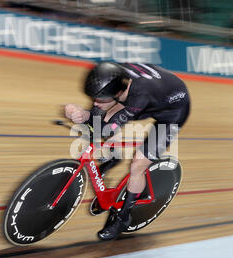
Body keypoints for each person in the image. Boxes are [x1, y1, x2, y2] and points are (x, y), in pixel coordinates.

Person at [64, 62, 190, 241]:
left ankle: (123, 218)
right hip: (154, 92)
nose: (94, 102)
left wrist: (83, 115)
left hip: (172, 113)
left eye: (100, 98)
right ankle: (114, 156)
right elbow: (98, 116)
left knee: (138, 163)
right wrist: (76, 112)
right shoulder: (111, 75)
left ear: (117, 92)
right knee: (102, 115)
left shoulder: (140, 96)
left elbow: (105, 127)